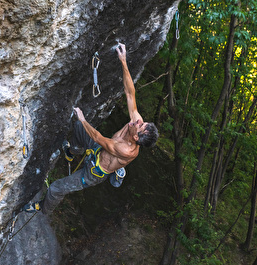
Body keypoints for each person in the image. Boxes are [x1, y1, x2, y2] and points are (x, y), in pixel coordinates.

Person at [23, 43, 159, 214]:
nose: (138, 121)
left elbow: (97, 137)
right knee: (79, 127)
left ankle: (42, 208)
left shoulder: (126, 150)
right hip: (99, 149)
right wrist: (123, 61)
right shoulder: (135, 124)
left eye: (139, 125)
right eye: (142, 122)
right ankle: (72, 152)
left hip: (93, 172)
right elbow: (130, 93)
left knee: (55, 189)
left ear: (137, 138)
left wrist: (83, 118)